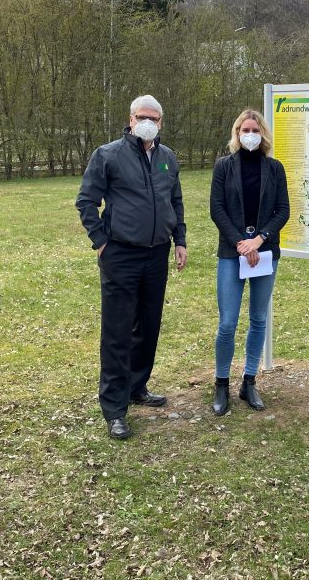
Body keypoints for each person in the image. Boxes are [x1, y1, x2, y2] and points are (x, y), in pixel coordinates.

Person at [75, 95, 187, 440]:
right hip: (120, 254)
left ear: (161, 122)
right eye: (142, 117)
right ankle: (114, 407)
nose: (147, 122)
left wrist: (179, 240)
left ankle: (137, 386)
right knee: (118, 330)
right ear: (131, 119)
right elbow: (86, 200)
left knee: (148, 325)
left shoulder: (167, 158)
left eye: (153, 118)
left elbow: (175, 200)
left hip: (156, 254)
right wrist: (102, 241)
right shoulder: (108, 155)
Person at [208, 110, 290, 415]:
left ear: (263, 134)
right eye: (245, 129)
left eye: (255, 129)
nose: (250, 134)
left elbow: (283, 209)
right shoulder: (223, 167)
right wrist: (241, 243)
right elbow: (217, 209)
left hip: (265, 252)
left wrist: (259, 239)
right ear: (237, 132)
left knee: (258, 319)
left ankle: (250, 381)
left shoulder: (275, 168)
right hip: (233, 253)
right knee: (227, 322)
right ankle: (221, 384)